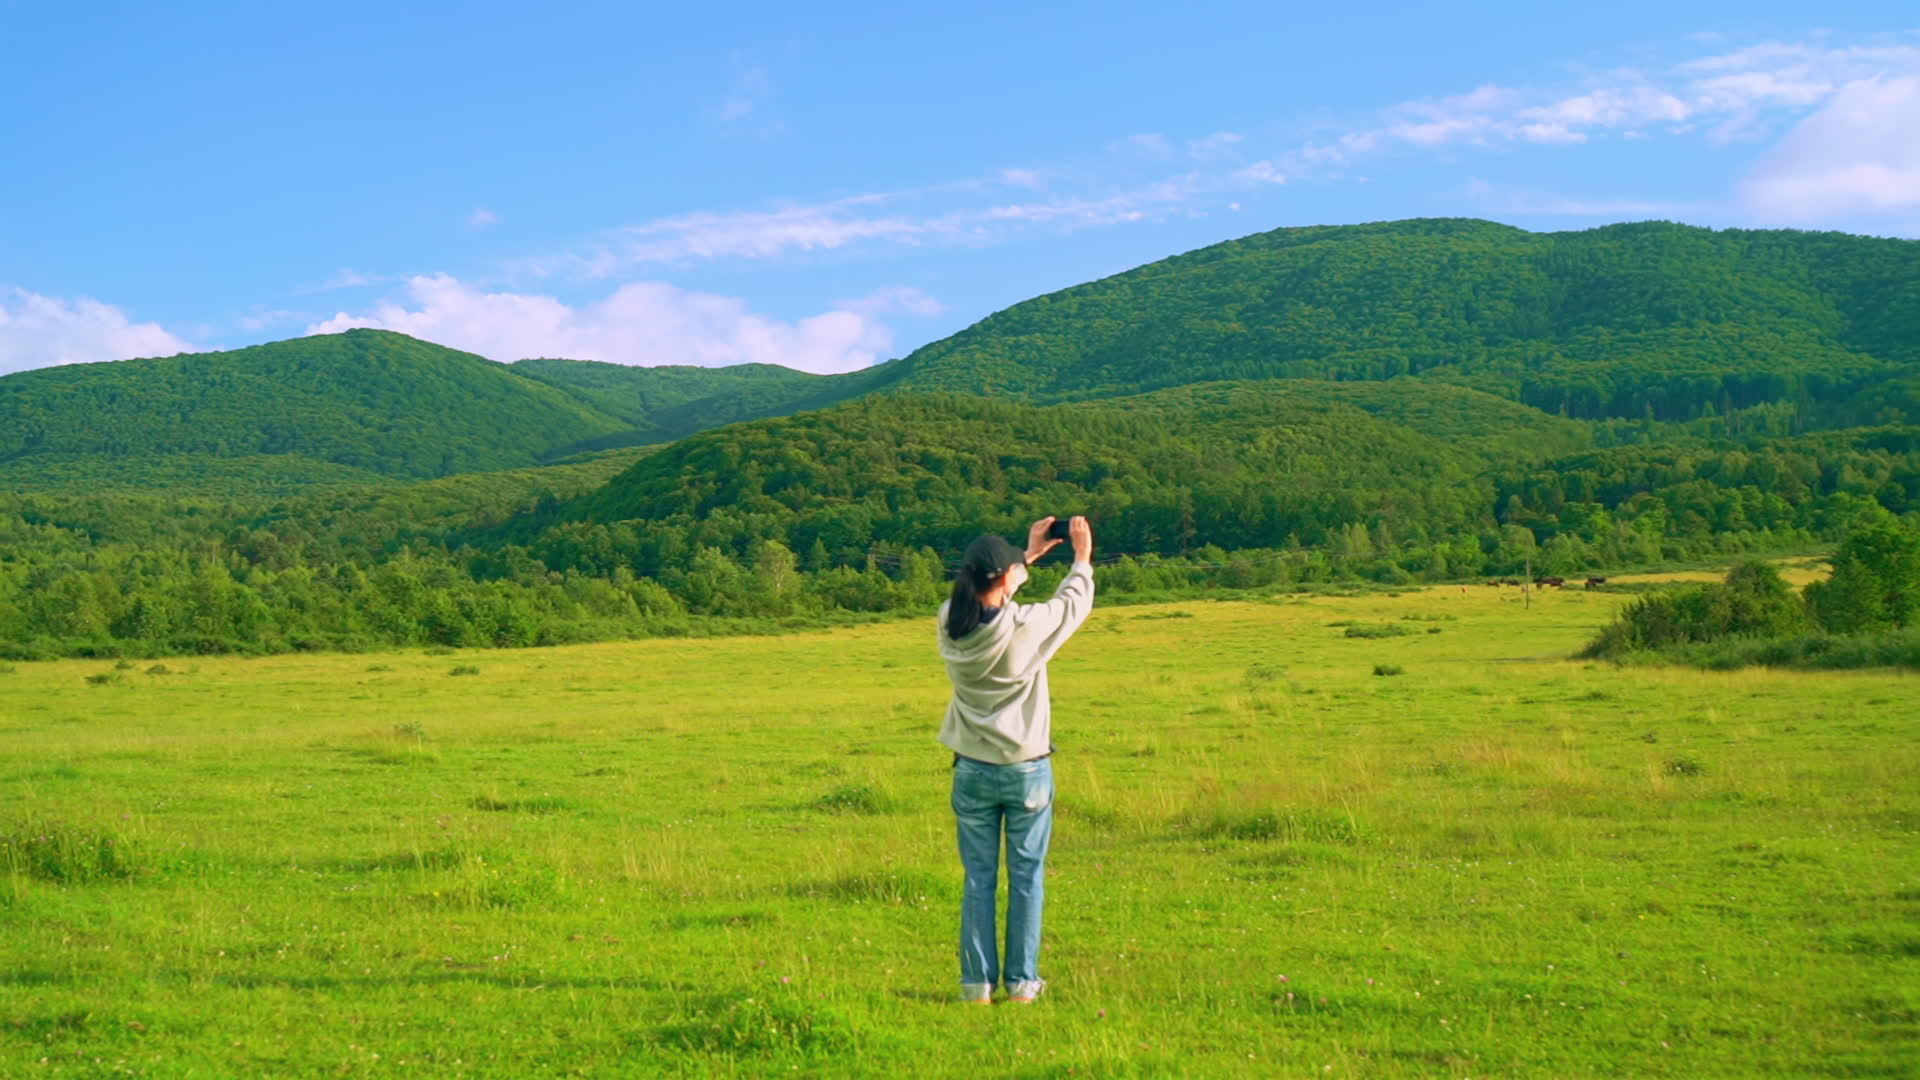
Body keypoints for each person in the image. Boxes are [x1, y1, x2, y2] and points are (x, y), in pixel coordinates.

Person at [936, 515, 1094, 1005]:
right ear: (1003, 580)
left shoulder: (948, 621)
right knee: (1026, 877)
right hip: (1026, 767)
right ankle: (1022, 983)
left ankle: (975, 985)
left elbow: (989, 597)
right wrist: (1081, 557)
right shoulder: (1026, 627)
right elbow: (1071, 606)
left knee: (978, 879)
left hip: (972, 768)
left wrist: (1025, 557)